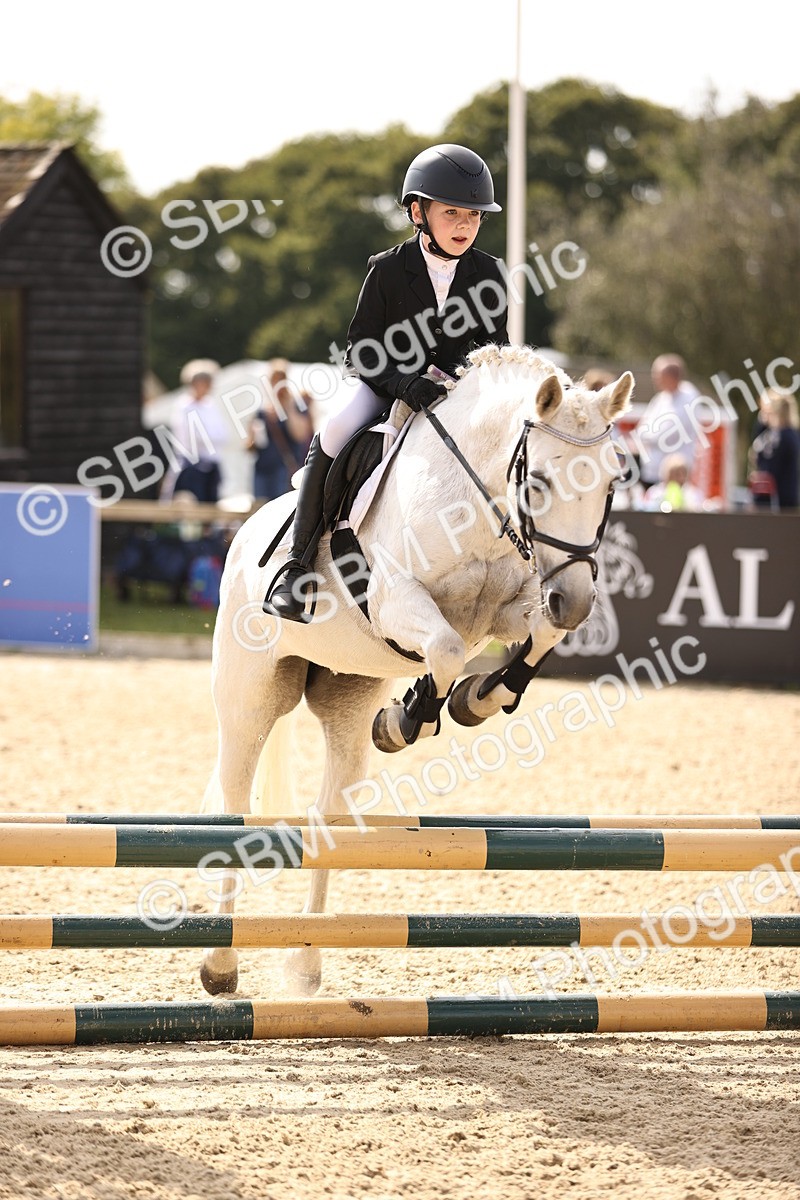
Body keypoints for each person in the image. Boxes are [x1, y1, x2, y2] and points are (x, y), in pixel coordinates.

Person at [265, 143, 509, 621]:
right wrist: (405, 384)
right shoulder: (388, 268)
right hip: (388, 386)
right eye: (453, 212)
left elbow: (495, 350)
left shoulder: (490, 272)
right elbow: (361, 349)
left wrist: (463, 386)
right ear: (418, 212)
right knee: (334, 432)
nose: (465, 225)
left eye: (474, 216)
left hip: (459, 397)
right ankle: (296, 569)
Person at [247, 359, 315, 502]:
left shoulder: (296, 405)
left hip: (284, 469)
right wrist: (253, 435)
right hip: (263, 467)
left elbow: (300, 435)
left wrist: (288, 407)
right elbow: (250, 446)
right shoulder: (262, 411)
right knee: (260, 508)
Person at [161, 360, 228, 504]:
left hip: (210, 465)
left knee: (210, 505)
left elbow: (222, 434)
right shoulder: (184, 406)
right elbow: (192, 436)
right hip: (190, 465)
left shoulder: (210, 406)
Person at [635, 354, 702, 491]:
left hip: (675, 475)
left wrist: (646, 436)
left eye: (658, 375)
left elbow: (668, 433)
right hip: (652, 471)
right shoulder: (661, 398)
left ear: (671, 376)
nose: (655, 379)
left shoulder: (689, 397)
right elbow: (642, 427)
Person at [748, 389, 800, 510]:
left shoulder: (785, 436)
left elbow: (772, 466)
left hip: (779, 501)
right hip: (773, 499)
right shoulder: (773, 434)